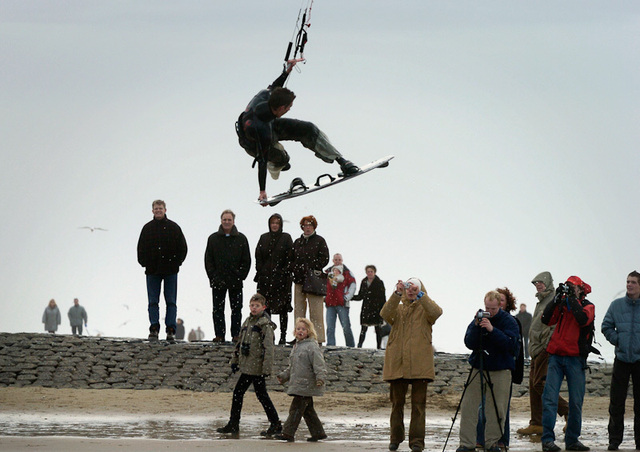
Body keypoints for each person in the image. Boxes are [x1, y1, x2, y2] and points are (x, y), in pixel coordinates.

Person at [235, 60, 359, 204]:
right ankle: (277, 162)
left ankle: (342, 161)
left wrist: (287, 71)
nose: (289, 110)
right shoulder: (261, 130)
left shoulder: (266, 94)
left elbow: (276, 85)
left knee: (308, 129)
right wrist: (262, 191)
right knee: (283, 159)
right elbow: (261, 161)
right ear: (280, 108)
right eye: (288, 107)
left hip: (271, 124)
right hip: (252, 143)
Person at [381, 278, 443, 452]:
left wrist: (420, 295)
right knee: (396, 404)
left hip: (420, 364)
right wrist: (396, 293)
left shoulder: (426, 309)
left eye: (414, 288)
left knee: (418, 406)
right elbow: (385, 314)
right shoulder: (398, 309)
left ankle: (416, 442)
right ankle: (395, 437)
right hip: (397, 363)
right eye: (408, 287)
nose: (410, 291)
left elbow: (437, 312)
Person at [457, 290, 519, 452]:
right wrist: (477, 327)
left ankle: (492, 443)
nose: (489, 312)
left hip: (501, 369)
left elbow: (511, 346)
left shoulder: (509, 321)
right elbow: (469, 342)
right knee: (469, 406)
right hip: (479, 366)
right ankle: (466, 444)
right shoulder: (479, 318)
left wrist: (492, 330)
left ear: (500, 305)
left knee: (497, 409)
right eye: (487, 308)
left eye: (492, 309)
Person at [540, 276, 595, 452]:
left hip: (575, 358)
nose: (570, 289)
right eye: (568, 286)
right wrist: (556, 300)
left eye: (573, 287)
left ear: (580, 289)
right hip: (556, 356)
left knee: (576, 401)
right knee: (549, 399)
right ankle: (547, 440)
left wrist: (571, 299)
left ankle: (572, 440)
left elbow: (582, 320)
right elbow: (546, 319)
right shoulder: (562, 305)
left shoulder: (588, 306)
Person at [217, 294, 281, 436]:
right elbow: (239, 344)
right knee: (242, 393)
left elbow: (269, 349)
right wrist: (234, 361)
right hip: (247, 366)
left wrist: (266, 368)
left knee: (257, 395)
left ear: (263, 308)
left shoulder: (265, 325)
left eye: (257, 306)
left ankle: (275, 423)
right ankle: (235, 423)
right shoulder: (247, 322)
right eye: (252, 305)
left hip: (257, 368)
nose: (254, 308)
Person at [517, 272, 569, 436]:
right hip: (535, 349)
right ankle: (537, 423)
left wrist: (546, 345)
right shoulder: (540, 301)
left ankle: (568, 411)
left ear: (548, 283)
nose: (538, 285)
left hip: (545, 349)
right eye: (536, 283)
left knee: (540, 383)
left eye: (541, 282)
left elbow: (554, 326)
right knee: (533, 386)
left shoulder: (554, 299)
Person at [476, 288, 525, 450]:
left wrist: (516, 373)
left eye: (502, 300)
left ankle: (502, 440)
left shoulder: (512, 321)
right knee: (483, 406)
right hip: (485, 367)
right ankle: (481, 439)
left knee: (501, 408)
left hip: (505, 369)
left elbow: (515, 349)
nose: (498, 304)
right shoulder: (483, 319)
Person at [137, 199, 188, 341]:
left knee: (171, 301)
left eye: (160, 208)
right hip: (153, 271)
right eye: (156, 208)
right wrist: (145, 263)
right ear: (152, 211)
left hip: (170, 270)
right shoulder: (147, 229)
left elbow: (183, 248)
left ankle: (171, 329)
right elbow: (140, 249)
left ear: (165, 210)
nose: (158, 210)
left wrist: (176, 263)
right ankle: (154, 328)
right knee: (153, 301)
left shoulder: (174, 228)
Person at [601, 270, 640, 451]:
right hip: (622, 359)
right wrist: (618, 340)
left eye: (633, 282)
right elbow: (606, 326)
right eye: (627, 281)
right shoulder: (616, 305)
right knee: (616, 403)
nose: (629, 285)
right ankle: (614, 440)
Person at [275, 317, 328, 442]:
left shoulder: (312, 346)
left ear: (309, 331)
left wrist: (320, 378)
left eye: (303, 329)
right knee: (308, 411)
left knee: (296, 409)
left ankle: (288, 433)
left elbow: (319, 364)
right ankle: (318, 432)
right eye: (298, 329)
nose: (300, 331)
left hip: (306, 385)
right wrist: (284, 377)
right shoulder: (296, 347)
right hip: (299, 384)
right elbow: (293, 367)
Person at [204, 209, 251, 343]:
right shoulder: (213, 239)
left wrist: (241, 275)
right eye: (224, 219)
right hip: (218, 280)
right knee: (218, 310)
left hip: (235, 281)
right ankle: (219, 335)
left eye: (229, 220)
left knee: (236, 309)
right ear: (221, 221)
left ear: (233, 221)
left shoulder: (241, 238)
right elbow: (208, 260)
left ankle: (236, 334)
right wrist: (213, 276)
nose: (227, 222)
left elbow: (246, 260)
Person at [254, 213, 293, 344]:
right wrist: (261, 271)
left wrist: (284, 272)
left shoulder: (286, 238)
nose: (274, 225)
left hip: (282, 280)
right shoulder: (263, 238)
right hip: (266, 279)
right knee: (266, 308)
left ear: (280, 224)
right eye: (272, 223)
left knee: (283, 309)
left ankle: (283, 335)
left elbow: (290, 257)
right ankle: (269, 335)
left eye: (277, 223)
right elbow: (258, 256)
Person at [290, 215, 329, 345]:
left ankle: (318, 338)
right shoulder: (297, 242)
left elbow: (325, 258)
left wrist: (313, 267)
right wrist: (296, 269)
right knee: (299, 310)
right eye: (305, 225)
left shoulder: (319, 241)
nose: (307, 227)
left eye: (310, 225)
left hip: (314, 281)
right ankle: (298, 336)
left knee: (316, 311)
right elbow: (292, 259)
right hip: (299, 280)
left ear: (314, 226)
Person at [324, 253, 356, 347]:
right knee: (330, 327)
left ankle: (350, 346)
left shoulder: (347, 272)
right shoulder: (327, 272)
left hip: (342, 303)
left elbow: (353, 285)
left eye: (339, 259)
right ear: (333, 261)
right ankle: (331, 345)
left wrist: (346, 297)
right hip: (330, 303)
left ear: (342, 260)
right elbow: (323, 285)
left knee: (346, 327)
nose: (337, 261)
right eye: (336, 259)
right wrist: (324, 297)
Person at [353, 265, 387, 349]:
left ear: (374, 272)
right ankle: (359, 345)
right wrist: (351, 297)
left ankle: (378, 347)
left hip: (377, 308)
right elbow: (361, 295)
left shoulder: (379, 282)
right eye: (368, 271)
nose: (370, 273)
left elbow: (383, 297)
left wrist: (384, 310)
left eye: (371, 271)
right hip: (366, 308)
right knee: (363, 328)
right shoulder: (364, 282)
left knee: (378, 329)